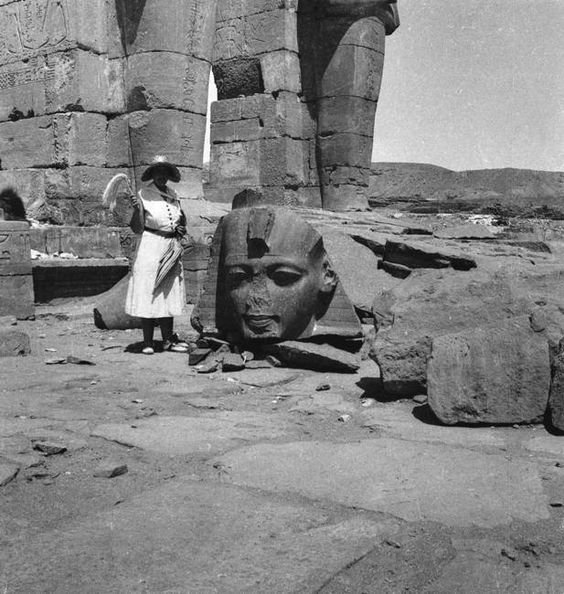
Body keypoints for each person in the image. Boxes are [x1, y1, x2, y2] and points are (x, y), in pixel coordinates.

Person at [125, 156, 190, 354]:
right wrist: (136, 210)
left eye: (165, 172)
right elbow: (137, 228)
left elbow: (180, 220)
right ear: (152, 174)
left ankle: (168, 340)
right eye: (158, 172)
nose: (161, 176)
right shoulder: (143, 194)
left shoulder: (174, 194)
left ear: (169, 175)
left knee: (168, 292)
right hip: (150, 246)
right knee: (148, 291)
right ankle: (147, 342)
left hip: (170, 247)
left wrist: (181, 227)